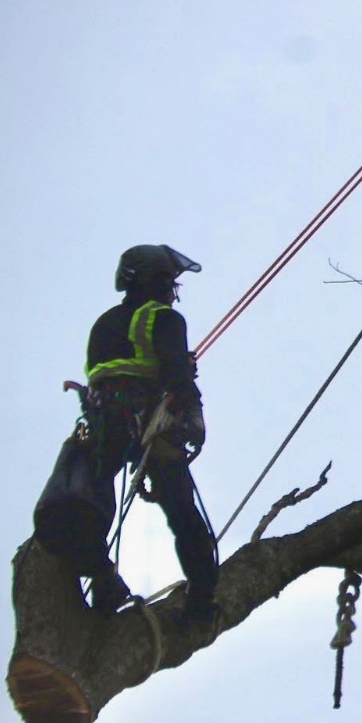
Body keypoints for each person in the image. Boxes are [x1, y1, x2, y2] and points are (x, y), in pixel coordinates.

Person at [78, 244, 218, 622]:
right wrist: (190, 411)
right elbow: (176, 375)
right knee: (181, 512)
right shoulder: (164, 319)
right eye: (170, 283)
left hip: (103, 426)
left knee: (97, 506)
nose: (173, 291)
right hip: (148, 423)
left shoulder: (104, 322)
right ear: (155, 282)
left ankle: (102, 585)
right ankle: (203, 599)